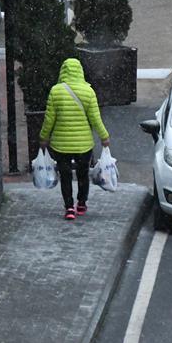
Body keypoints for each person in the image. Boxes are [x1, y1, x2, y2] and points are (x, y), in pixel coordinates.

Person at [39, 58, 110, 221]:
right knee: (83, 174)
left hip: (60, 145)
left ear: (63, 71)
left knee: (65, 176)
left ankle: (69, 207)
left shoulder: (55, 91)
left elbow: (49, 119)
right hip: (83, 145)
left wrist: (44, 137)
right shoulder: (88, 91)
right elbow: (95, 118)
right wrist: (104, 136)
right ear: (80, 72)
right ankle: (82, 203)